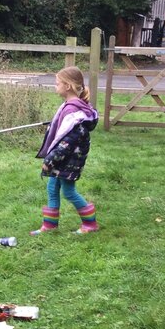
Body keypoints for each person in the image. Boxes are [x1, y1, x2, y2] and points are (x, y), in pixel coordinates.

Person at [31, 66, 100, 235]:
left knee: (69, 192)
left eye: (57, 83)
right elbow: (63, 132)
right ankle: (50, 225)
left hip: (69, 161)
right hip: (64, 159)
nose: (55, 86)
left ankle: (90, 224)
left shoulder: (72, 110)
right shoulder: (70, 106)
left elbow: (67, 142)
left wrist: (49, 161)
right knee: (52, 188)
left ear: (67, 86)